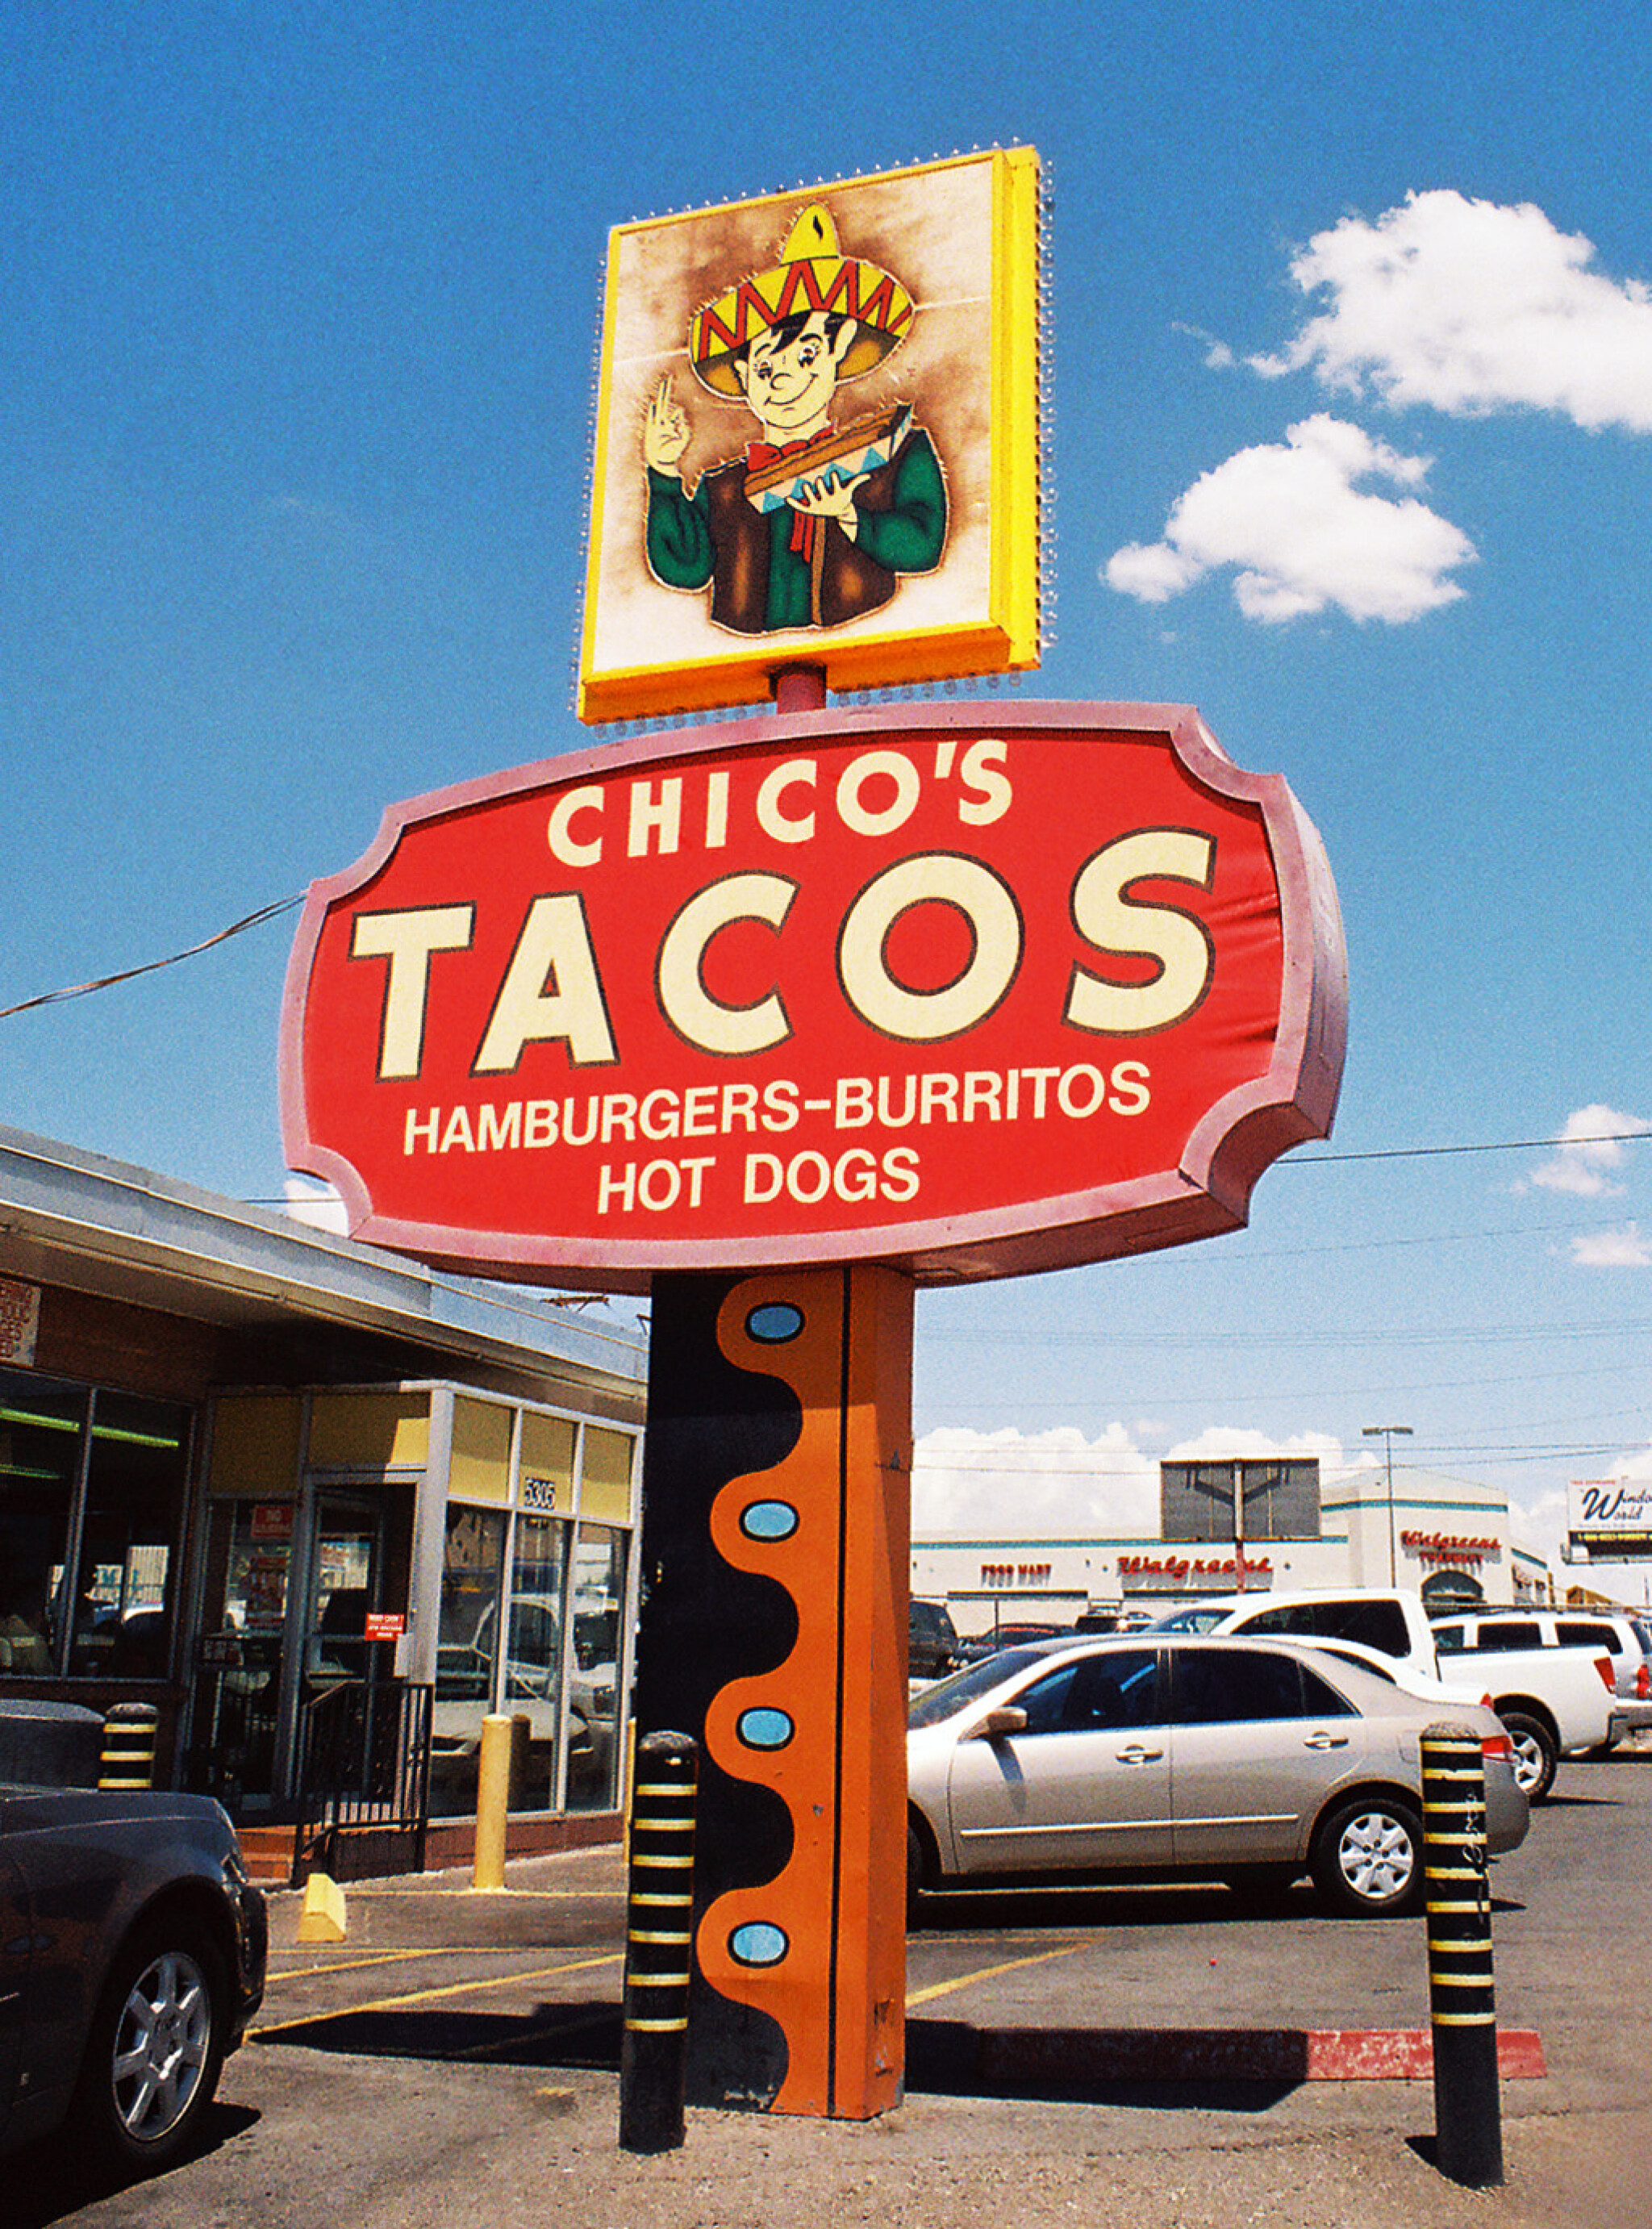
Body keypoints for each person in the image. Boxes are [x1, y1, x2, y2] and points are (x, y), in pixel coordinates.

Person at [643, 203, 947, 634]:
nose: (783, 380)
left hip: (858, 631)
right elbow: (685, 567)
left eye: (806, 356)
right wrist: (663, 470)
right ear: (744, 376)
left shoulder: (893, 454)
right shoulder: (724, 490)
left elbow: (924, 545)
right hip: (749, 649)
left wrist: (849, 514)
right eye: (765, 369)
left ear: (838, 345)